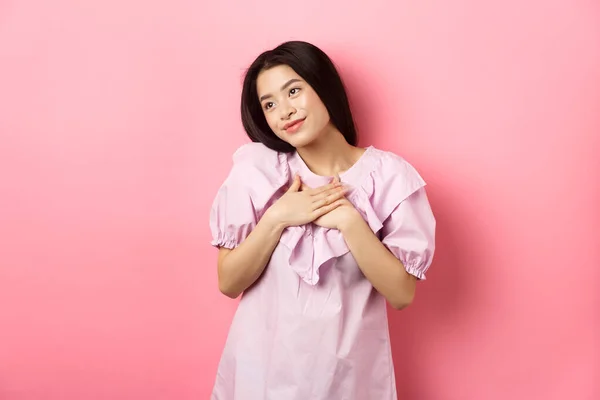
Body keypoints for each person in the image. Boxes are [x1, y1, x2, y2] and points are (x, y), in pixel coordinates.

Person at [209, 40, 436, 400]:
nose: (284, 111)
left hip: (347, 378)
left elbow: (401, 293)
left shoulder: (389, 177)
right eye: (269, 104)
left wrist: (350, 222)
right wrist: (278, 217)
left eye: (293, 91)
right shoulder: (258, 171)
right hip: (260, 374)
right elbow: (229, 281)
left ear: (323, 86)